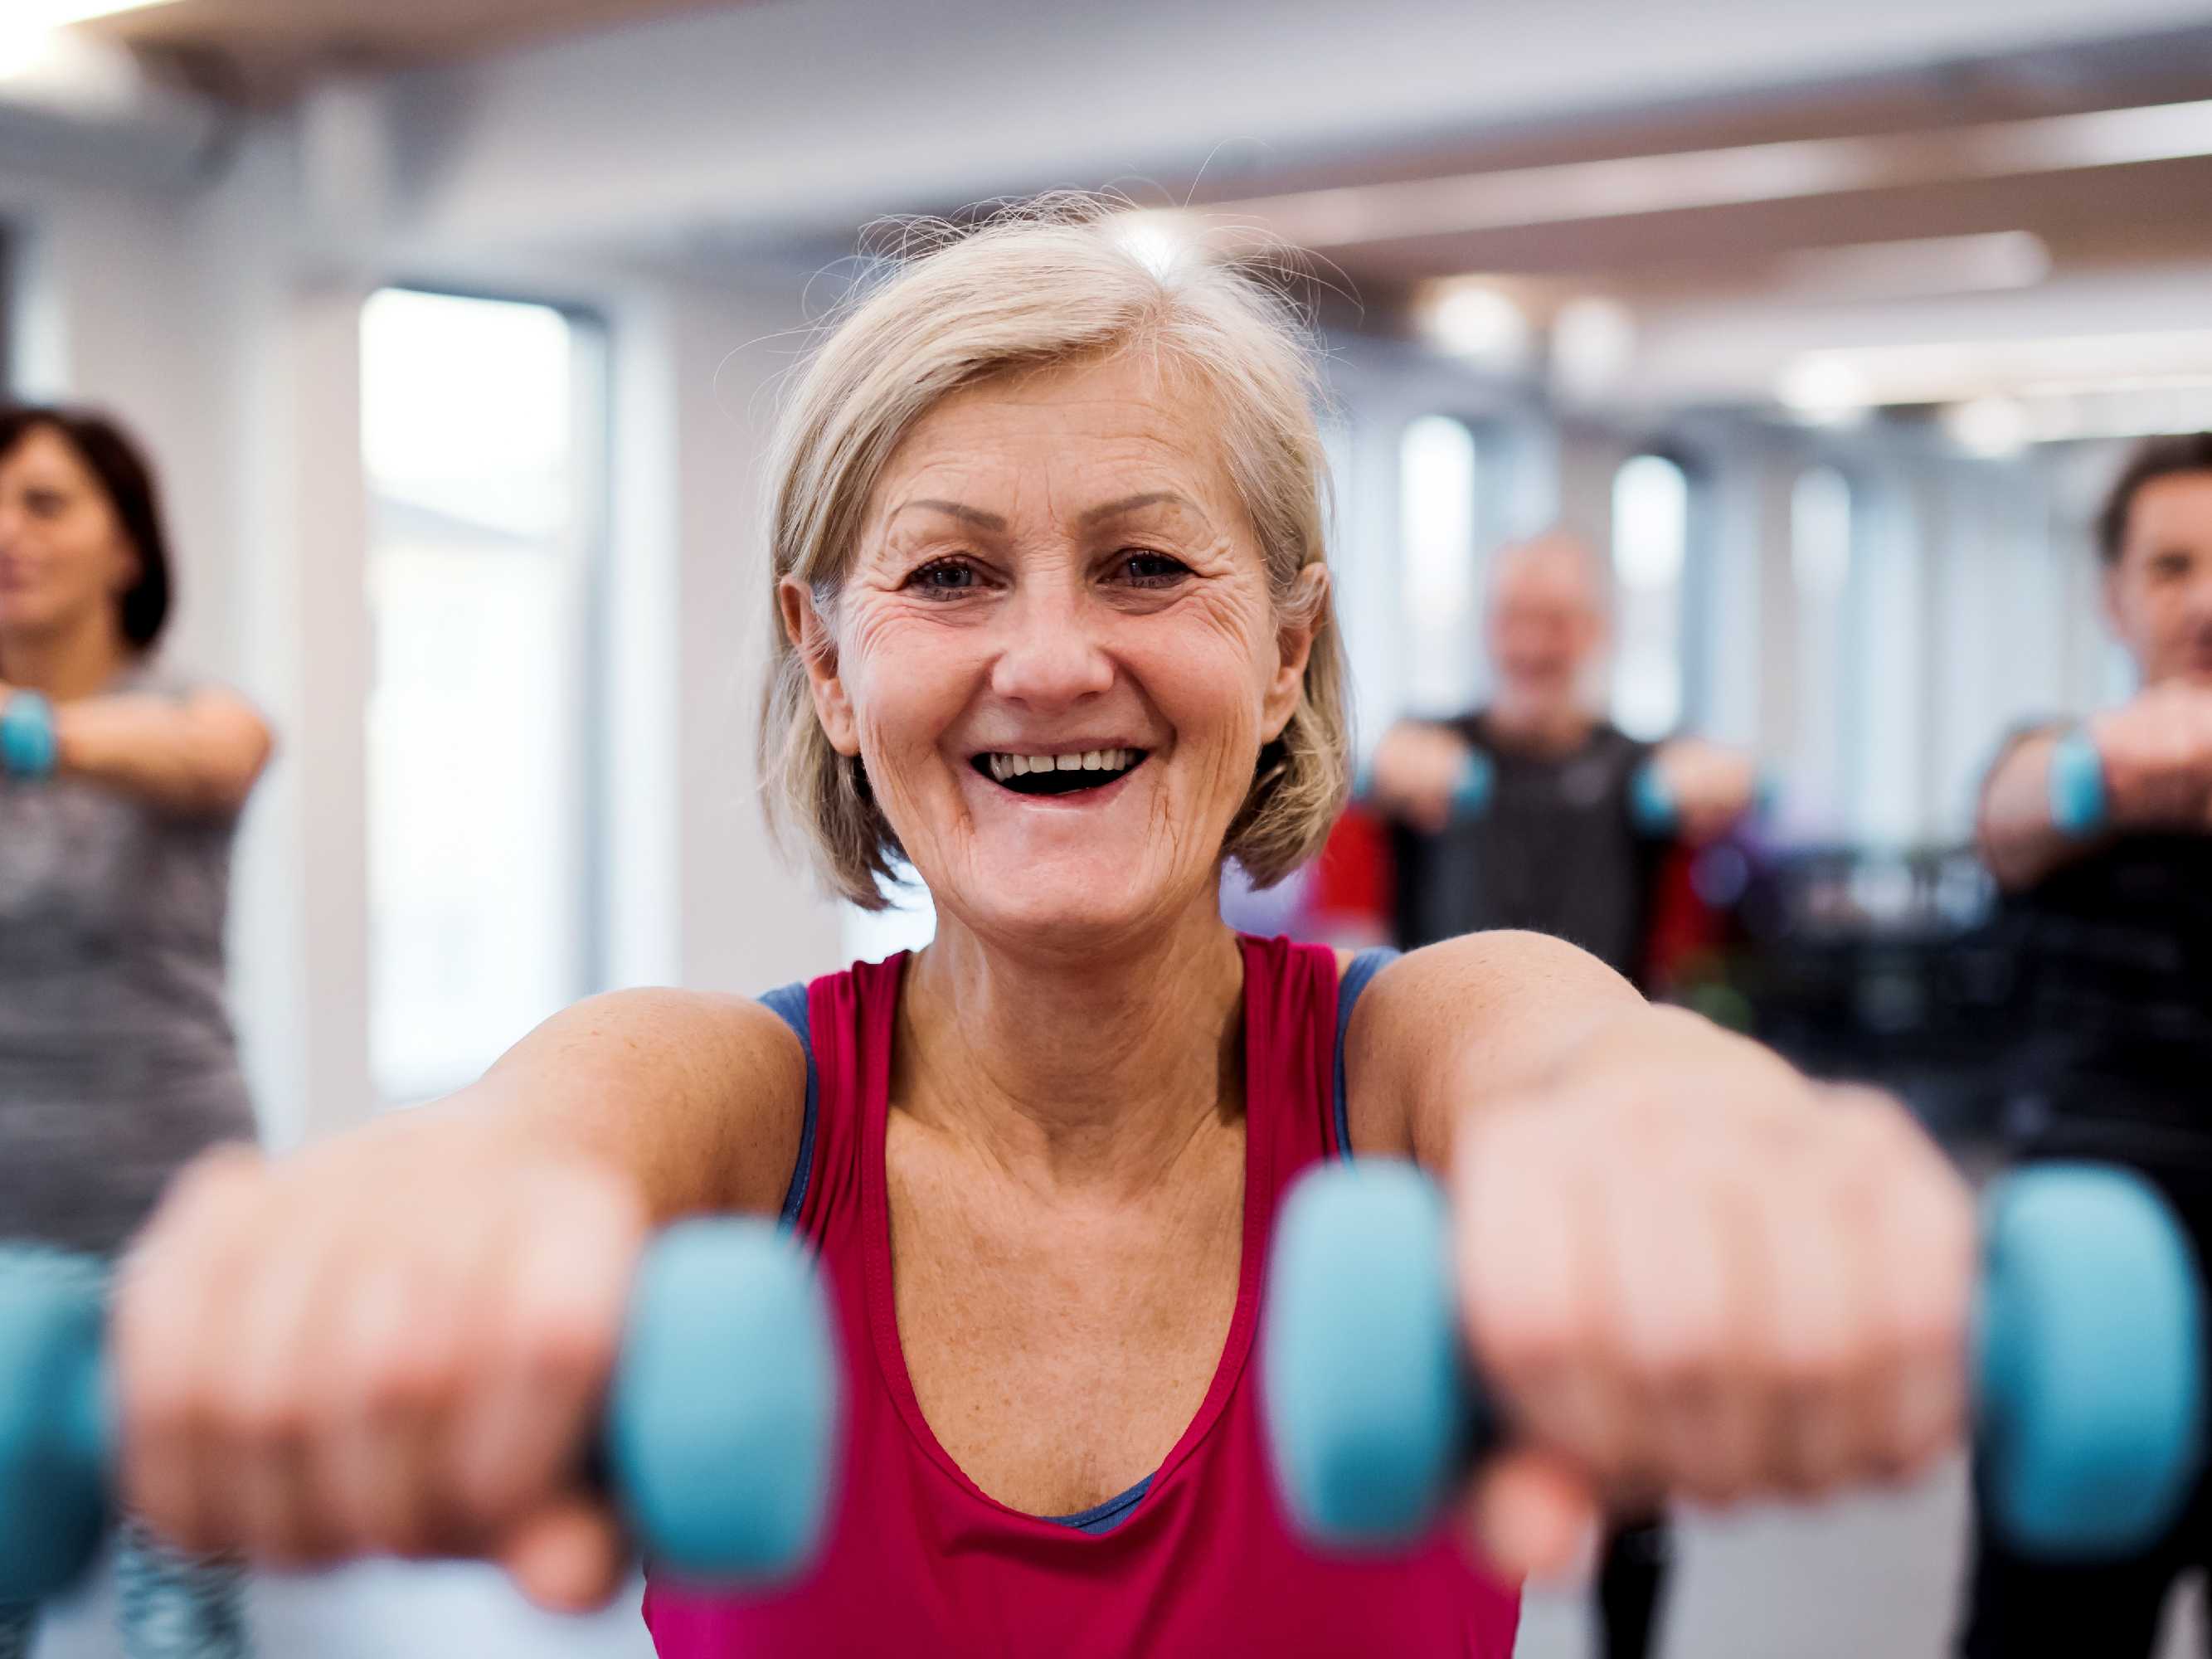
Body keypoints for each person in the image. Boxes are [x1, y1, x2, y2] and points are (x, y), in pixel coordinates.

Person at [105, 207, 1971, 1659]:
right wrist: (416, 1232)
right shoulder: (727, 1104)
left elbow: (1575, 1051)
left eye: (1148, 564)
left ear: (1287, 645)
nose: (1054, 657)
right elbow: (535, 1139)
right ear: (829, 662)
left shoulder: (1406, 1070)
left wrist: (1689, 1131)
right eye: (949, 574)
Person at [1364, 528, 1757, 1659]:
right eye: (1517, 618)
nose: (1535, 642)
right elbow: (1336, 773)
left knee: (1630, 1442)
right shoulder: (1426, 755)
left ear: (1596, 635)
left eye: (1559, 620)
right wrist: (1382, 761)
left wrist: (1708, 780)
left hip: (1607, 1130)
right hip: (1441, 1133)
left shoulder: (1642, 764)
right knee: (1453, 1429)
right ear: (1490, 629)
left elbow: (1728, 784)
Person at [0, 407, 272, 1659]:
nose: (8, 530)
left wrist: (26, 731)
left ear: (127, 548)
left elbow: (219, 757)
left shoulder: (191, 714)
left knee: (186, 1610)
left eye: (45, 501)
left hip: (181, 1219)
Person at [1965, 432, 2212, 1657]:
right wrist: (2107, 769)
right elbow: (2010, 816)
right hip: (2091, 1306)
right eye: (2173, 566)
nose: (2209, 598)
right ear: (2112, 594)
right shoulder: (2047, 754)